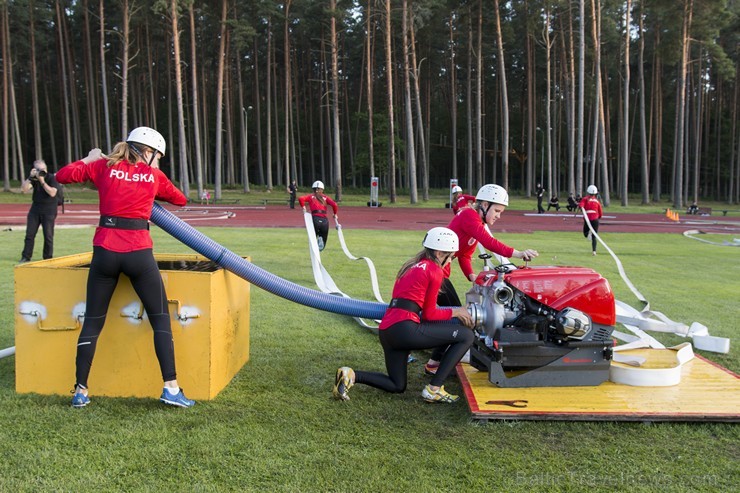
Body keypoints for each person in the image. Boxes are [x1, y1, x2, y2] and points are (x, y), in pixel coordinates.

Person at [55, 126, 195, 409]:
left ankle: (80, 391)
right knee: (160, 319)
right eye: (158, 156)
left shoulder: (102, 167)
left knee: (93, 322)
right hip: (139, 253)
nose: (159, 162)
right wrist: (148, 190)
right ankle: (170, 388)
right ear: (147, 151)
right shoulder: (154, 175)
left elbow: (61, 176)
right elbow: (180, 199)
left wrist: (88, 159)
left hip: (104, 251)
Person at [333, 227, 474, 404]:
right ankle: (434, 389)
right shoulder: (434, 269)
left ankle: (351, 375)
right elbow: (430, 314)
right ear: (439, 253)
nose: (450, 261)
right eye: (451, 256)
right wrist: (457, 311)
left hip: (388, 330)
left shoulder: (412, 265)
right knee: (467, 335)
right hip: (405, 329)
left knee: (397, 385)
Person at [424, 184, 539, 375]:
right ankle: (435, 362)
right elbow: (489, 242)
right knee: (458, 317)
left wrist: (472, 278)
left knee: (456, 316)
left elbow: (464, 256)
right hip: (435, 273)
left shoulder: (476, 221)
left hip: (439, 273)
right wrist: (518, 253)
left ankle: (438, 358)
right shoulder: (470, 216)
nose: (499, 216)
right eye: (497, 210)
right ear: (484, 205)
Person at [20, 159, 60, 262]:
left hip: (49, 209)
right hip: (35, 209)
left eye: (43, 169)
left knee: (48, 236)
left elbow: (52, 193)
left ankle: (47, 258)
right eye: (39, 170)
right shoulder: (34, 179)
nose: (42, 171)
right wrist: (30, 177)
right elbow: (24, 190)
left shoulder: (52, 178)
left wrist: (42, 181)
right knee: (30, 234)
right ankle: (26, 256)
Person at [298, 180, 338, 252]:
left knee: (313, 240)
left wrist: (303, 207)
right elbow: (334, 204)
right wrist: (335, 214)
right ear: (322, 189)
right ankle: (320, 240)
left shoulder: (311, 196)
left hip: (315, 219)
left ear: (313, 189)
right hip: (325, 221)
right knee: (322, 243)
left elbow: (301, 198)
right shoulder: (325, 197)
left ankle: (315, 250)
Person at [578, 185, 603, 256]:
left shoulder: (585, 199)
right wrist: (598, 217)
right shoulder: (597, 201)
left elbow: (581, 205)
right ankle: (594, 251)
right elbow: (600, 212)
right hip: (595, 219)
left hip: (587, 219)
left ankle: (589, 233)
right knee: (594, 236)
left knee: (585, 233)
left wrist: (580, 206)